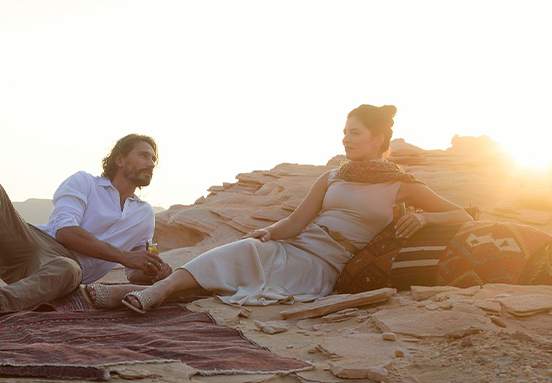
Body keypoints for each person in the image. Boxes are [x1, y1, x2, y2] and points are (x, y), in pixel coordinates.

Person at [88, 105, 472, 313]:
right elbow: (297, 221)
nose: (346, 138)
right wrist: (269, 232)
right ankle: (153, 294)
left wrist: (423, 217)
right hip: (296, 245)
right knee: (242, 251)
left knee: (242, 281)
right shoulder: (334, 177)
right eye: (344, 131)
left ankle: (149, 293)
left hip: (324, 264)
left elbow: (463, 215)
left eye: (354, 132)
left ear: (379, 138)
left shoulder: (400, 183)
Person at [0, 134, 173, 316]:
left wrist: (155, 273)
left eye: (154, 159)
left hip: (65, 272)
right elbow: (65, 233)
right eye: (144, 156)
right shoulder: (84, 182)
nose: (151, 163)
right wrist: (124, 256)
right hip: (32, 243)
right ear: (120, 159)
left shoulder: (144, 215)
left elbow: (133, 274)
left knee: (69, 268)